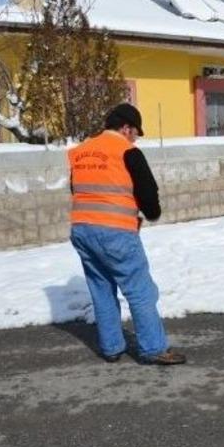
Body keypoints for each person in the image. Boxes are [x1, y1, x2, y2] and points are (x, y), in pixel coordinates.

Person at [67, 103, 186, 365]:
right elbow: (147, 193)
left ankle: (111, 348)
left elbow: (77, 188)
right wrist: (150, 213)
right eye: (135, 132)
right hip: (116, 233)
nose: (135, 138)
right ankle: (153, 348)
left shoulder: (80, 152)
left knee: (101, 289)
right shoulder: (127, 152)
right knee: (140, 290)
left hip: (81, 229)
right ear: (125, 127)